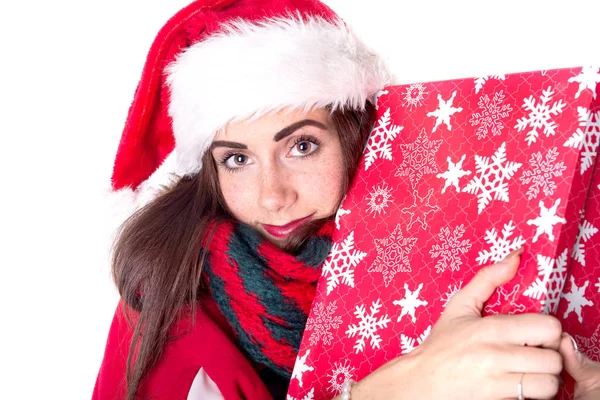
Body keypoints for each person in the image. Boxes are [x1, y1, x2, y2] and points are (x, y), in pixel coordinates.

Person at [92, 0, 600, 399]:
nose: (273, 196)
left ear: (357, 135)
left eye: (302, 146)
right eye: (237, 159)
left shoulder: (444, 255)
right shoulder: (164, 308)